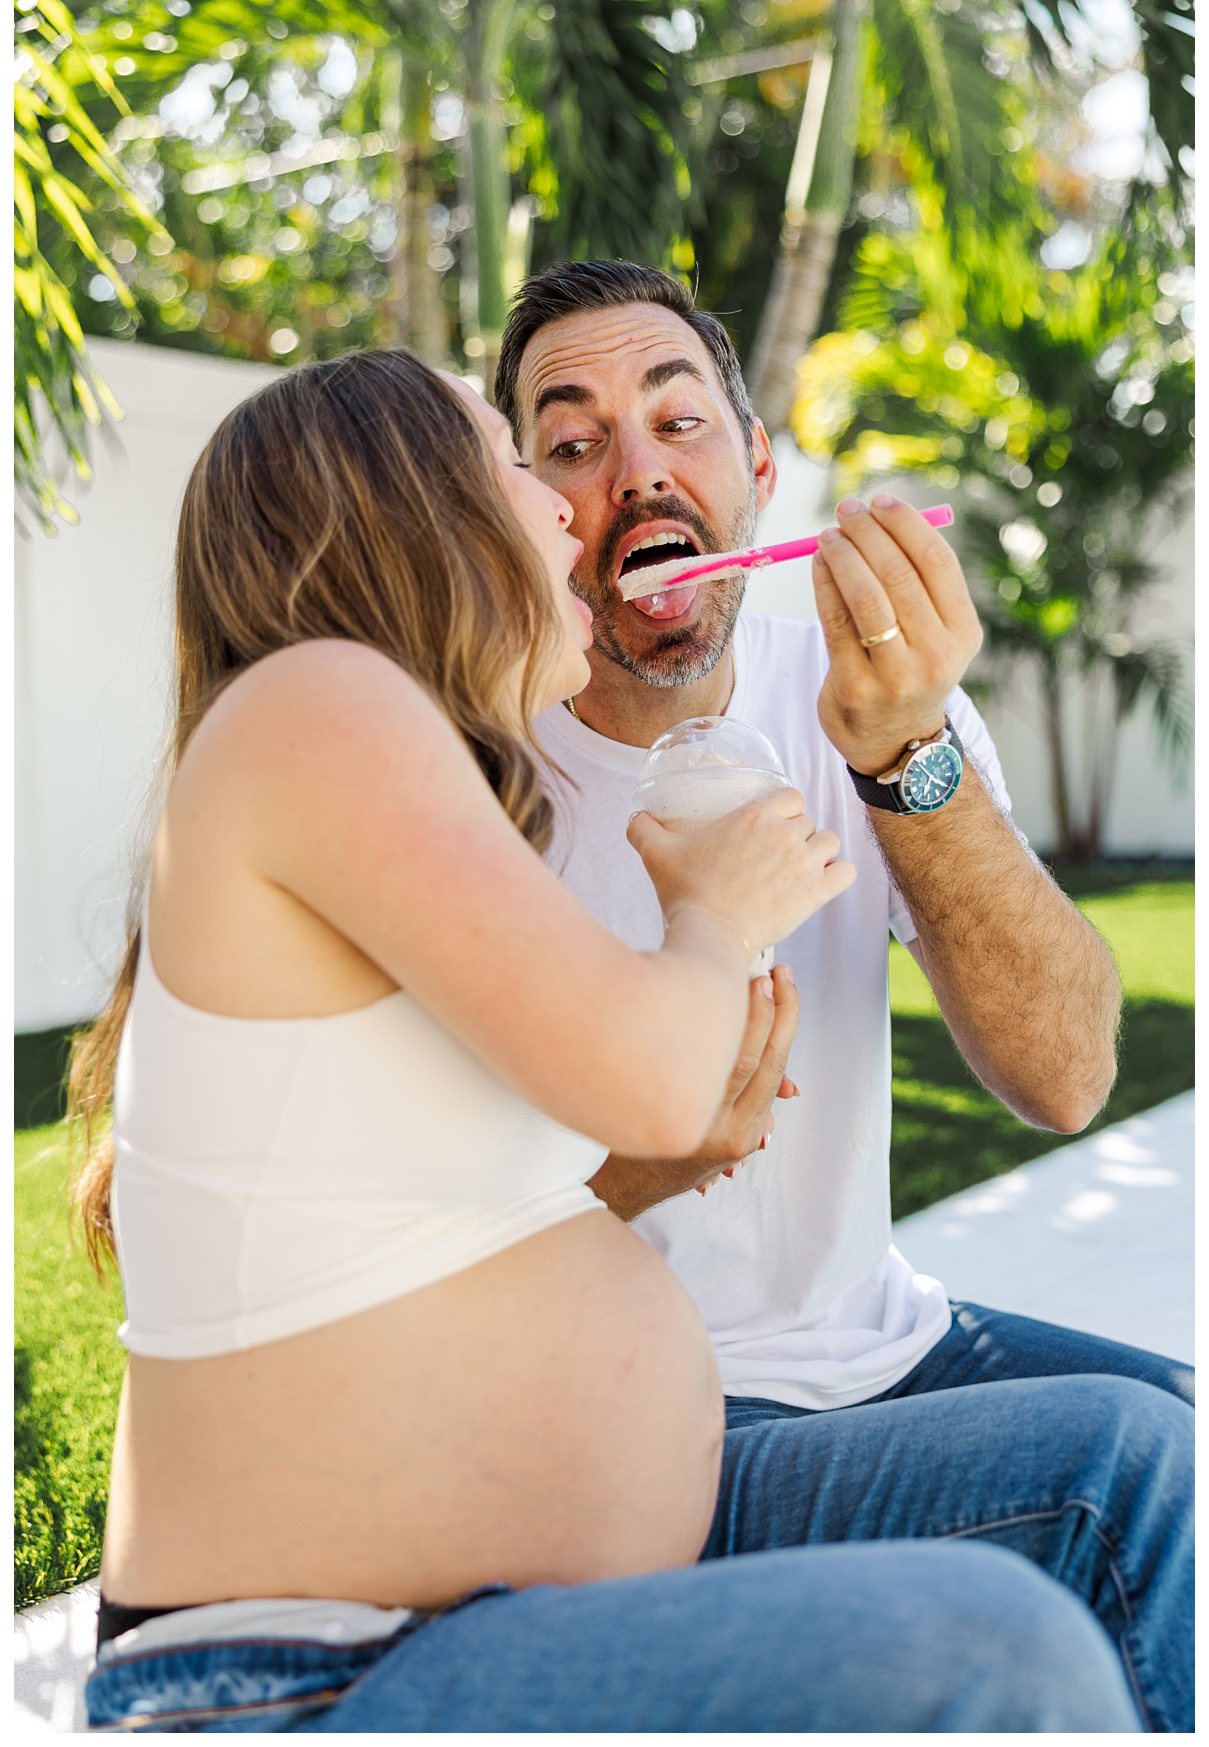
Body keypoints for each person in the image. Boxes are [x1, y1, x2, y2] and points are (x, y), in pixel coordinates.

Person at [73, 345, 1146, 1733]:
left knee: (1125, 1458)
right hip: (304, 1668)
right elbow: (646, 1077)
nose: (568, 510)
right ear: (424, 513)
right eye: (529, 460)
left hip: (483, 1591)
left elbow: (451, 1209)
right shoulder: (320, 702)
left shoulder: (411, 762)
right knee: (989, 1653)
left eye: (673, 421)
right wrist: (712, 912)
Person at [489, 260, 1194, 1731]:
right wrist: (639, 1165)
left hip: (880, 1338)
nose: (633, 473)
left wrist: (901, 756)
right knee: (1131, 1469)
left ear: (757, 470)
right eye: (571, 442)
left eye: (678, 424)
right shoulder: (470, 767)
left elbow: (1063, 1075)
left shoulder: (859, 688)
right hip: (634, 1418)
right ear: (522, 506)